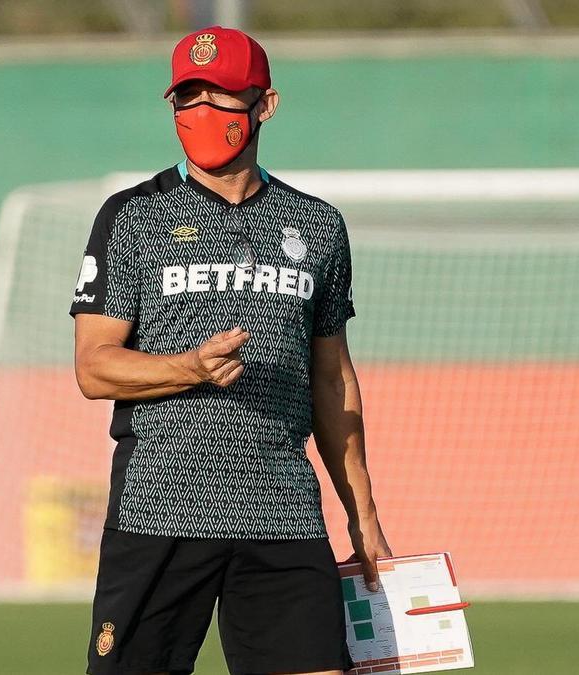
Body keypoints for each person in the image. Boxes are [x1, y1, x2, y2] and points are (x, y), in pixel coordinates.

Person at [70, 25, 391, 675]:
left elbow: (333, 381)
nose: (200, 113)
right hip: (160, 507)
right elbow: (92, 364)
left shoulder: (319, 226)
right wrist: (188, 367)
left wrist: (365, 520)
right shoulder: (132, 216)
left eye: (220, 96)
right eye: (187, 98)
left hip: (283, 513)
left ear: (264, 105)